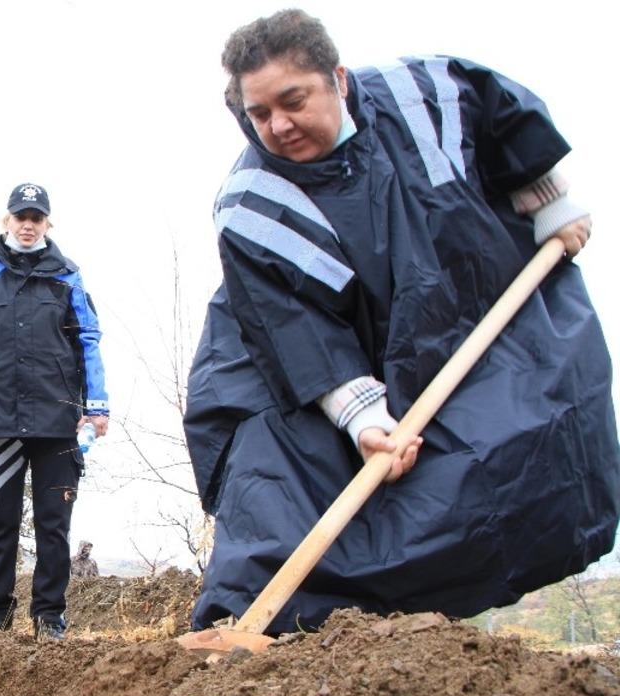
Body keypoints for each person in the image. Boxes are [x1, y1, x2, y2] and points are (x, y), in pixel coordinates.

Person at [184, 9, 619, 634]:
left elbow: (506, 121)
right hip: (285, 362)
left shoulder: (425, 94)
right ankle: (266, 634)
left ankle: (405, 637)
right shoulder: (252, 205)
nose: (278, 125)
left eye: (294, 100)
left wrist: (548, 198)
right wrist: (361, 415)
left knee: (529, 429)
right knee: (274, 482)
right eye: (259, 113)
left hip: (465, 310)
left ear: (336, 77)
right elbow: (292, 329)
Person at [0, 184, 109, 640]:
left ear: (47, 224)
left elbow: (88, 342)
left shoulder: (69, 278)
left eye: (36, 217)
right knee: (1, 522)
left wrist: (97, 406)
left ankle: (50, 617)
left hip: (59, 423)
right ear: (7, 221)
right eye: (20, 216)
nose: (27, 224)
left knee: (53, 525)